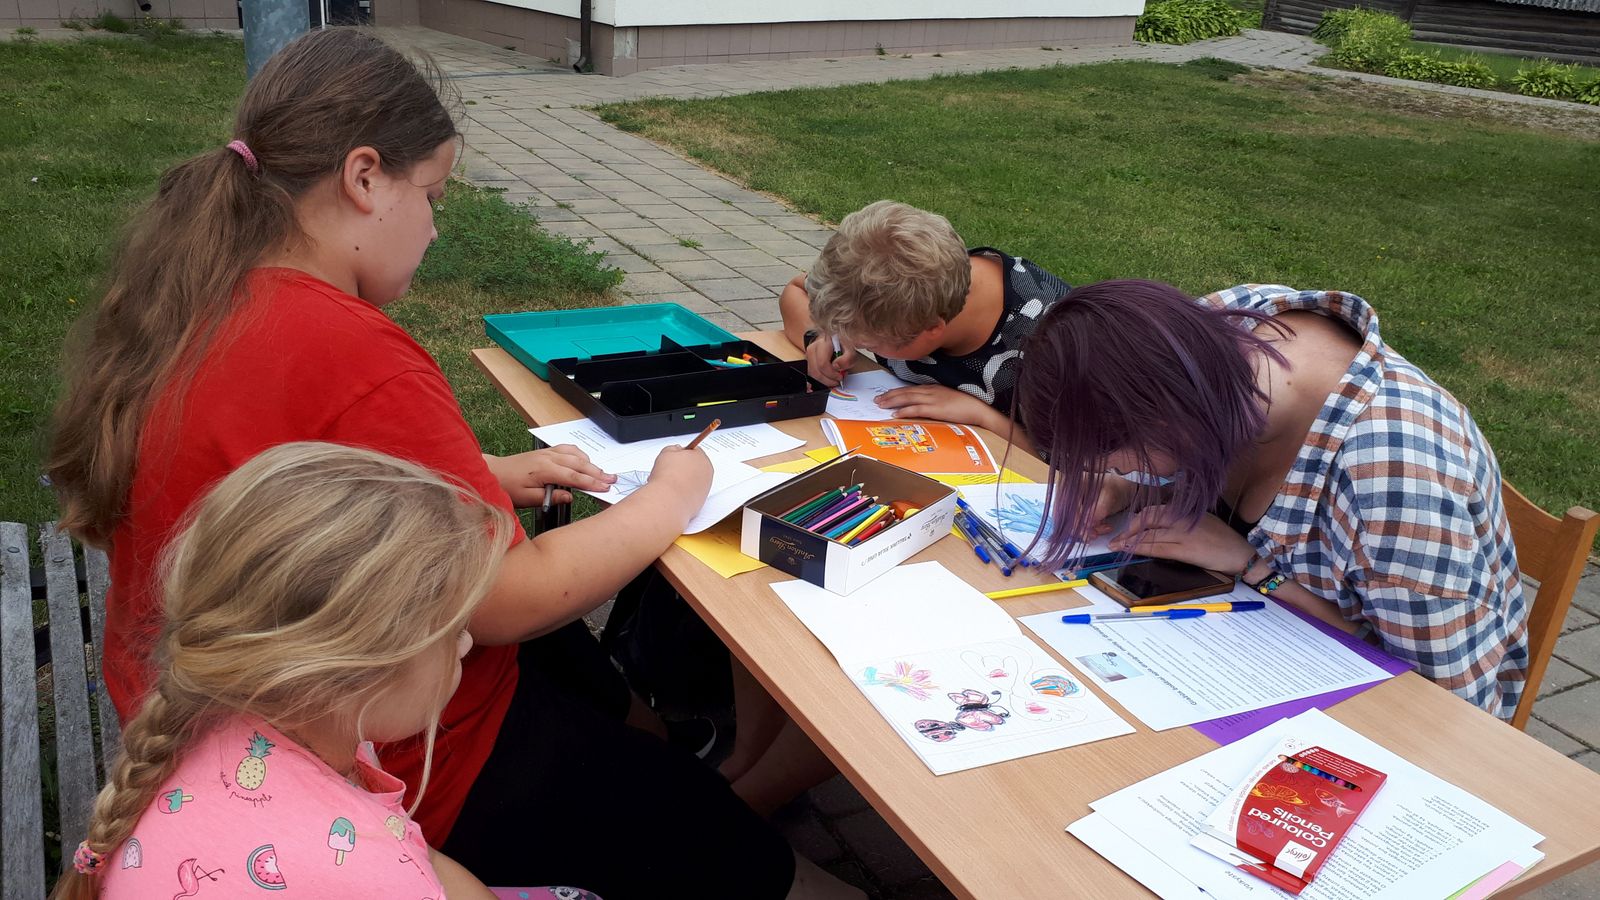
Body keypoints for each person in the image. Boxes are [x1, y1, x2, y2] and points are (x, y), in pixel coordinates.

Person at [47, 28, 855, 899]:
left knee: (592, 685)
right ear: (364, 178)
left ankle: (670, 764)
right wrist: (669, 496)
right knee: (754, 865)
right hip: (388, 751)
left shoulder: (202, 290)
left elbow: (286, 471)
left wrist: (477, 474)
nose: (435, 226)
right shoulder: (354, 352)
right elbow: (506, 603)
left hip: (222, 706)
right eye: (432, 194)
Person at [1013, 281, 1530, 720]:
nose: (1118, 468)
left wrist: (1253, 566)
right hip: (1239, 653)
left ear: (1168, 417)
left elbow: (1439, 703)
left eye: (1120, 459)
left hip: (1393, 725)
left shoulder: (1396, 486)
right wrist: (1126, 487)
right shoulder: (1219, 329)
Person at [53, 443, 521, 899]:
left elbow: (416, 854)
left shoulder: (221, 718)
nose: (465, 644)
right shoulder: (369, 874)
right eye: (452, 629)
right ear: (351, 671)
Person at [779, 200, 1071, 449]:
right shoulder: (886, 273)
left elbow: (1082, 469)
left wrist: (983, 416)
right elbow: (796, 291)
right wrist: (817, 336)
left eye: (867, 343)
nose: (851, 341)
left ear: (931, 329)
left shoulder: (1053, 344)